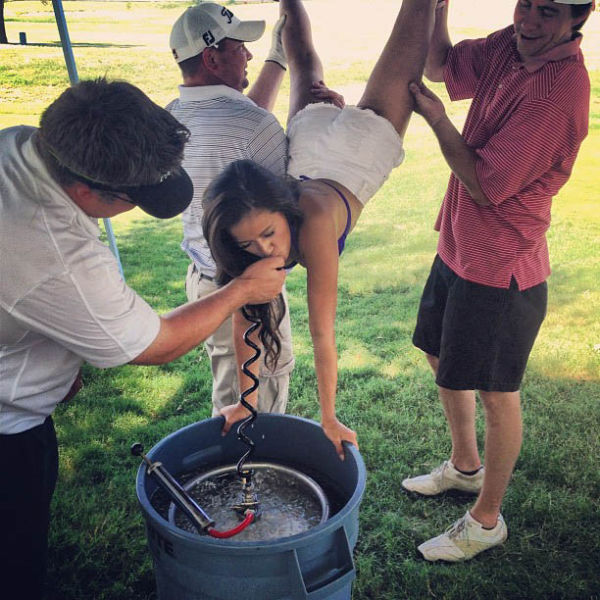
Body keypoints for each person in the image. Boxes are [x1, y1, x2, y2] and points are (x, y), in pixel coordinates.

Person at [0, 78, 286, 599]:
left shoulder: (19, 145)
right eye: (139, 197)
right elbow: (154, 345)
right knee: (13, 560)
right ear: (88, 191)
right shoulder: (56, 251)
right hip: (7, 431)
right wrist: (242, 287)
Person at [401, 0, 594, 562]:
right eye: (526, 4)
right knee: (437, 351)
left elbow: (487, 183)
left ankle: (486, 520)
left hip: (503, 265)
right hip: (459, 244)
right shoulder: (512, 45)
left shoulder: (558, 94)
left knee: (496, 392)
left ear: (578, 18)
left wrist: (437, 119)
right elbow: (442, 65)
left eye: (549, 12)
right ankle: (465, 466)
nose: (529, 21)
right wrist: (437, 8)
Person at [202, 0, 438, 459]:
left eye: (269, 234)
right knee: (304, 60)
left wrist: (328, 416)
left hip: (358, 153)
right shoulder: (251, 236)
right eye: (249, 244)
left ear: (281, 206)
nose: (265, 250)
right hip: (308, 146)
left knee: (408, 35)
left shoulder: (311, 230)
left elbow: (323, 335)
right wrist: (242, 403)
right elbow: (243, 324)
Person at [167, 2, 296, 426]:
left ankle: (230, 482)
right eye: (241, 47)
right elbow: (288, 198)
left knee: (227, 392)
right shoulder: (252, 124)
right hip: (251, 285)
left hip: (203, 283)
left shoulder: (172, 115)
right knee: (256, 404)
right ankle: (245, 487)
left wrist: (277, 62)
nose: (250, 55)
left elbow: (238, 116)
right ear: (212, 57)